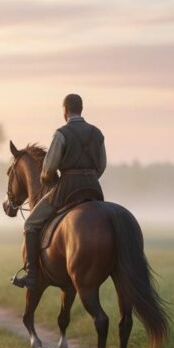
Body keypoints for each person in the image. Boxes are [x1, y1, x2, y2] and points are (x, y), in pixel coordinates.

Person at [12, 93, 107, 289]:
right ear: (81, 109)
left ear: (65, 111)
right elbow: (102, 165)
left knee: (30, 224)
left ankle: (32, 275)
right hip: (93, 188)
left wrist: (51, 182)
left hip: (67, 188)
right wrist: (90, 177)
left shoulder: (61, 134)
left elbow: (48, 170)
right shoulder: (97, 134)